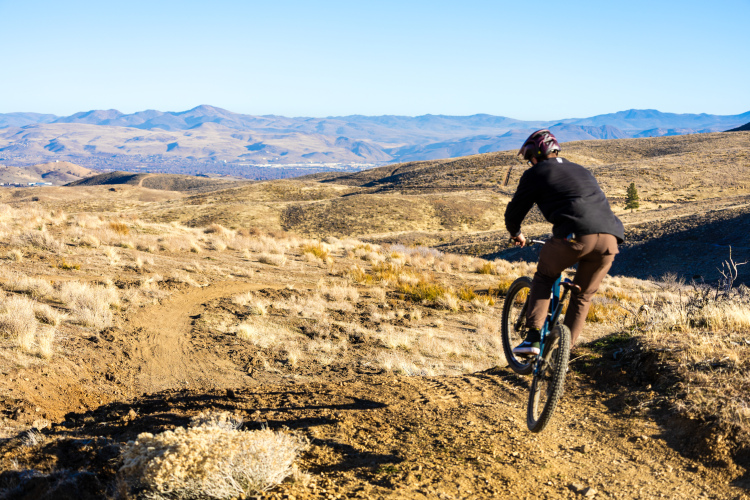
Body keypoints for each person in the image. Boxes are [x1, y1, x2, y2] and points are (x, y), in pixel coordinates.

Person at [504, 129, 624, 355]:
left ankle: (532, 338)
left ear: (535, 156)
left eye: (530, 160)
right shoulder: (582, 170)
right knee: (583, 296)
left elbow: (515, 210)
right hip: (610, 238)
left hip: (575, 237)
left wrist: (515, 232)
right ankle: (563, 354)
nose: (531, 164)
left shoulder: (536, 173)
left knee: (544, 276)